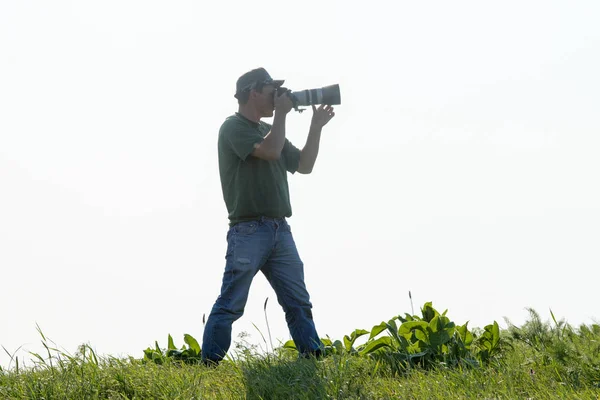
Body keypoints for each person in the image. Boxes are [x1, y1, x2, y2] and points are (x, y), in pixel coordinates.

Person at [201, 67, 335, 365]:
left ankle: (312, 360)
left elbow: (304, 165)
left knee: (298, 302)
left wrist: (316, 127)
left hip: (279, 229)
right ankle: (208, 366)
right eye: (271, 90)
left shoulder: (267, 130)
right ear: (253, 92)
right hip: (248, 230)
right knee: (231, 303)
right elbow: (271, 153)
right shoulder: (233, 127)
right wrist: (283, 116)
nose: (277, 96)